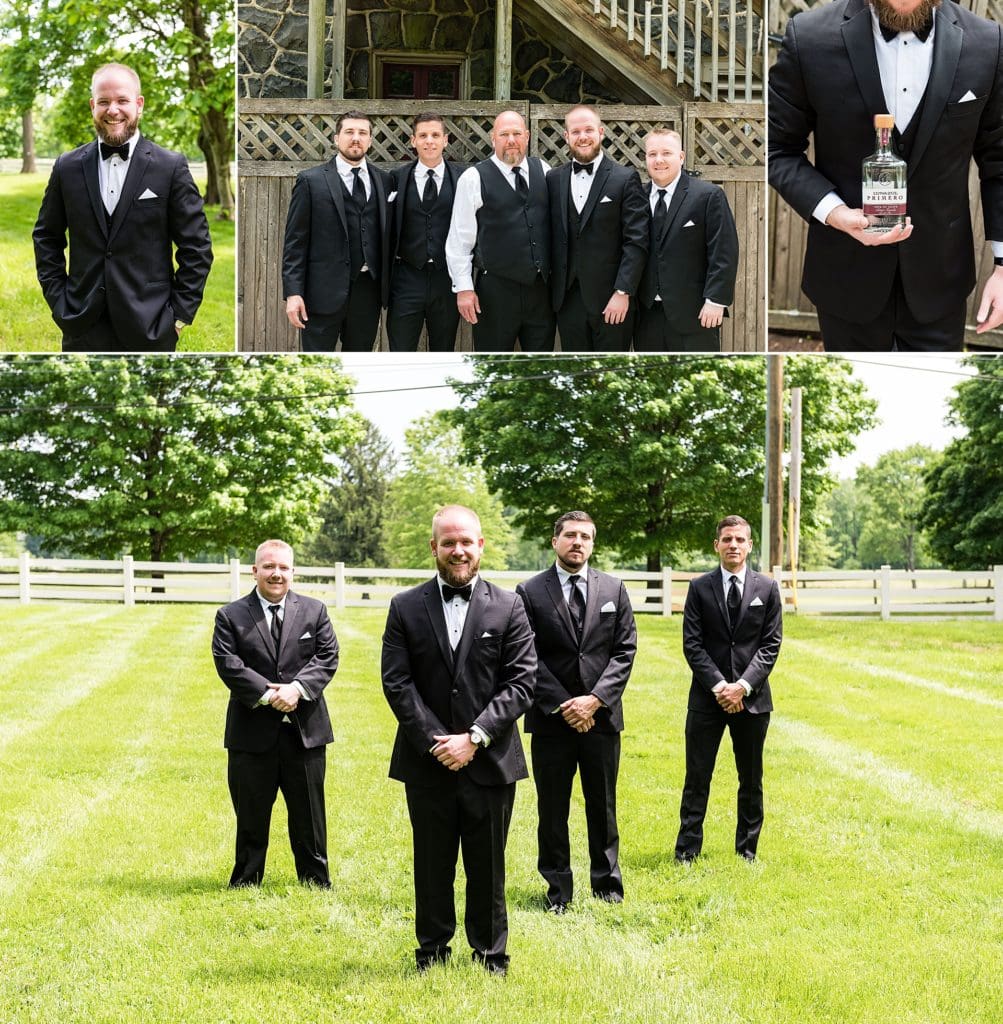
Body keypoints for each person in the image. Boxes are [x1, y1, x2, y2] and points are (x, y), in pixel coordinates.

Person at [768, 0, 1003, 350]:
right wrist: (835, 213)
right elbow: (776, 150)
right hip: (844, 279)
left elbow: (999, 158)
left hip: (941, 280)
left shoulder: (989, 42)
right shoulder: (809, 37)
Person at [381, 505, 536, 976]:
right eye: (448, 542)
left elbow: (522, 681)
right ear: (433, 547)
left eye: (466, 541)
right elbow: (397, 682)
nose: (458, 550)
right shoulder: (405, 607)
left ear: (481, 544)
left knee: (488, 864)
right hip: (426, 762)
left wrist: (474, 736)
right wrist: (436, 741)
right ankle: (431, 951)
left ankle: (491, 953)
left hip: (490, 761)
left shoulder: (509, 606)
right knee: (431, 862)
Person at [32, 62, 212, 352]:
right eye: (103, 101)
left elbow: (197, 247)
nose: (112, 109)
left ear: (138, 104)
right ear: (93, 106)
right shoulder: (67, 167)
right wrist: (59, 301)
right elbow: (46, 238)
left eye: (122, 100)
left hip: (150, 326)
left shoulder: (170, 167)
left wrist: (177, 318)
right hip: (82, 325)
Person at [515, 511, 636, 913]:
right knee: (553, 810)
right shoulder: (529, 592)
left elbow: (624, 651)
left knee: (603, 806)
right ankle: (557, 891)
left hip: (601, 719)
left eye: (585, 536)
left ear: (593, 543)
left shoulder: (614, 590)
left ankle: (607, 886)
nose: (577, 542)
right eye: (570, 535)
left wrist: (595, 699)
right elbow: (525, 655)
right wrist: (564, 704)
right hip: (552, 720)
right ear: (555, 541)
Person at [212, 539, 339, 887]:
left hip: (305, 732)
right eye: (268, 566)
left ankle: (315, 881)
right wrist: (270, 695)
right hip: (251, 733)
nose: (276, 574)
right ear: (255, 571)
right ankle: (247, 881)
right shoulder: (230, 616)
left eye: (283, 567)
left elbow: (327, 657)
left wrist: (296, 690)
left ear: (293, 572)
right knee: (251, 813)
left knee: (310, 815)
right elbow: (229, 664)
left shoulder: (315, 611)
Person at [675, 516, 782, 864]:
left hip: (752, 701)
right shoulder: (699, 588)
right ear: (716, 546)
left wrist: (743, 686)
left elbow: (770, 644)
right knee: (697, 776)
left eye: (739, 539)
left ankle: (747, 851)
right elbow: (693, 645)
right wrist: (721, 686)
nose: (733, 545)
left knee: (751, 778)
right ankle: (687, 851)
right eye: (726, 539)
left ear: (750, 545)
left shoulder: (766, 589)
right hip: (707, 699)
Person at [445, 110, 555, 351]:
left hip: (541, 290)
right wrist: (463, 288)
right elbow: (459, 239)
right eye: (504, 134)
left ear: (527, 136)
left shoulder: (544, 170)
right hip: (495, 292)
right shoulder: (473, 178)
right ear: (493, 138)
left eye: (517, 133)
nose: (511, 140)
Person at [282, 111, 392, 351]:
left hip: (367, 293)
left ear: (370, 140)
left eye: (363, 133)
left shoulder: (384, 181)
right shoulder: (310, 181)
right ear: (336, 138)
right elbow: (295, 242)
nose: (356, 138)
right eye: (349, 132)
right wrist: (293, 293)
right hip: (321, 293)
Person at [547, 106, 649, 351]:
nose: (583, 136)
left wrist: (623, 292)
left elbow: (637, 241)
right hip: (567, 300)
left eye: (589, 130)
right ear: (566, 136)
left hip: (612, 300)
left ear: (601, 132)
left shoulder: (625, 178)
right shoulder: (553, 179)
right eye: (576, 131)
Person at [636, 128, 739, 352]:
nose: (659, 160)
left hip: (696, 314)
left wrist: (715, 301)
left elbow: (724, 251)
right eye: (652, 154)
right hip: (645, 316)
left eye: (666, 153)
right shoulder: (637, 198)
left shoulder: (708, 196)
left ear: (681, 157)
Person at [386, 114, 466, 351]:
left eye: (435, 135)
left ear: (446, 140)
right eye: (423, 136)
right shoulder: (396, 179)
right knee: (400, 350)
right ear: (413, 141)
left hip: (447, 278)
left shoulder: (463, 178)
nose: (429, 141)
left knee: (444, 349)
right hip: (406, 278)